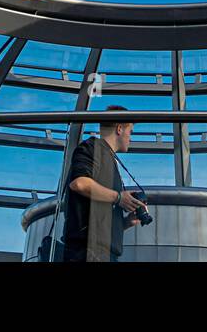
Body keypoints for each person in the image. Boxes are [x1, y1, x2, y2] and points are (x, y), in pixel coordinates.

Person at [59, 105, 145, 262]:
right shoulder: (92, 148)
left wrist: (125, 223)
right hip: (88, 253)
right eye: (130, 132)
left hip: (101, 253)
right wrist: (119, 198)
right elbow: (79, 183)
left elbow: (98, 220)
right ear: (119, 129)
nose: (130, 138)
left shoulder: (108, 159)